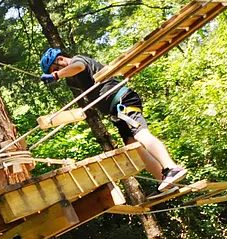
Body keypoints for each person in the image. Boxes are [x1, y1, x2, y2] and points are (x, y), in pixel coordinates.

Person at [40, 47, 188, 191]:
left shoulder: (78, 61)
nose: (57, 73)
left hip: (123, 100)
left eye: (55, 69)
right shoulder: (73, 79)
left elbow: (78, 66)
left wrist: (56, 75)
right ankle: (165, 181)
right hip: (116, 112)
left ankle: (172, 167)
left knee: (140, 133)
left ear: (60, 59)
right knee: (133, 146)